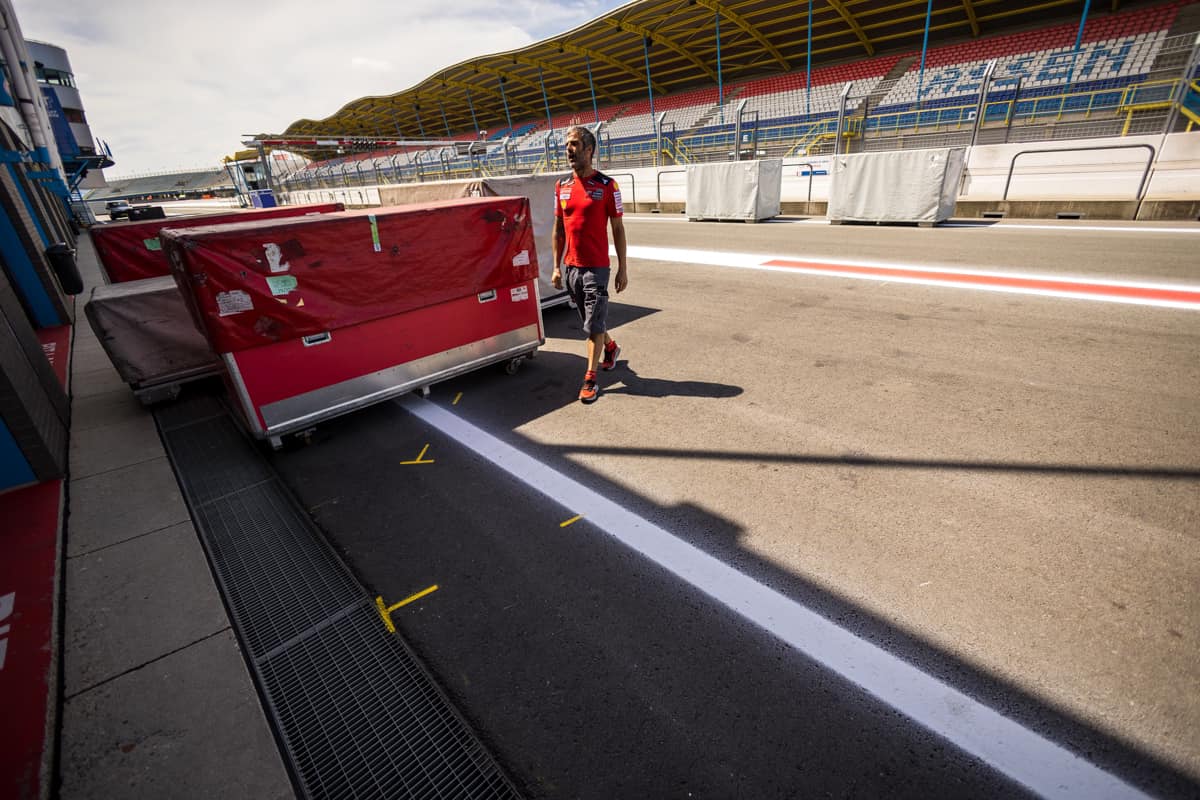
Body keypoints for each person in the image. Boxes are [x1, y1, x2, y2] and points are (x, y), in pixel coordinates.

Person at [551, 125, 628, 404]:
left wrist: (623, 268)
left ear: (589, 149)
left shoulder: (608, 186)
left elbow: (618, 228)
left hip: (596, 268)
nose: (568, 150)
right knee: (591, 320)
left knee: (593, 325)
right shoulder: (561, 186)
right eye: (566, 145)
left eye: (574, 144)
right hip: (572, 267)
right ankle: (611, 347)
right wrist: (557, 266)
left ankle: (590, 380)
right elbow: (558, 229)